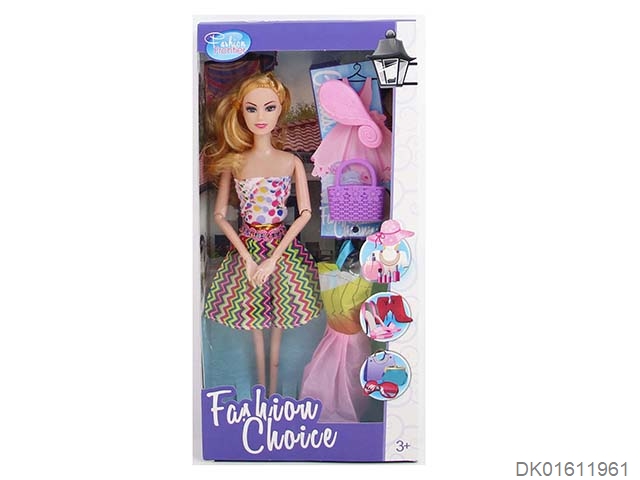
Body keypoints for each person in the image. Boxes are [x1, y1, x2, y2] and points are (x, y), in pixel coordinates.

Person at [201, 72, 322, 395]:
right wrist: (248, 259)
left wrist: (273, 259)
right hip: (248, 250)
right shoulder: (235, 163)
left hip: (282, 252)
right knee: (254, 329)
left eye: (269, 108)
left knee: (280, 329)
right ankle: (261, 395)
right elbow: (219, 215)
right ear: (240, 111)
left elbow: (305, 213)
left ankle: (275, 396)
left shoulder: (290, 161)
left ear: (280, 109)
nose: (260, 116)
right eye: (251, 109)